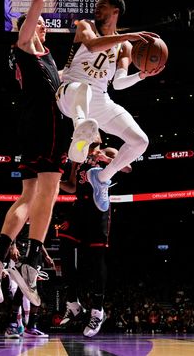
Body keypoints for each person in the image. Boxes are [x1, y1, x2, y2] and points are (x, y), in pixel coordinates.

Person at [0, 0, 69, 310]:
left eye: (42, 23)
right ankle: (28, 265)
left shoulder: (44, 56)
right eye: (38, 23)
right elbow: (39, 3)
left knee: (28, 197)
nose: (43, 25)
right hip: (45, 125)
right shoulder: (26, 45)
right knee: (51, 189)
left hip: (31, 125)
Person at [55, 0, 163, 212]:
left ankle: (102, 177)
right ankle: (80, 134)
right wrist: (126, 36)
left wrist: (141, 76)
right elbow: (94, 46)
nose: (97, 9)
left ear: (116, 11)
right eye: (97, 5)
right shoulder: (86, 25)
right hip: (69, 92)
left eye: (102, 6)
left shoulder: (125, 47)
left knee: (140, 141)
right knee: (82, 89)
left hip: (100, 99)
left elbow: (119, 84)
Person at [57, 140, 131, 337]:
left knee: (96, 258)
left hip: (98, 209)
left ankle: (97, 310)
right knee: (64, 245)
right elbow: (72, 187)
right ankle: (72, 301)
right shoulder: (77, 155)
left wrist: (106, 159)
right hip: (79, 207)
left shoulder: (108, 150)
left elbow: (127, 168)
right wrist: (54, 183)